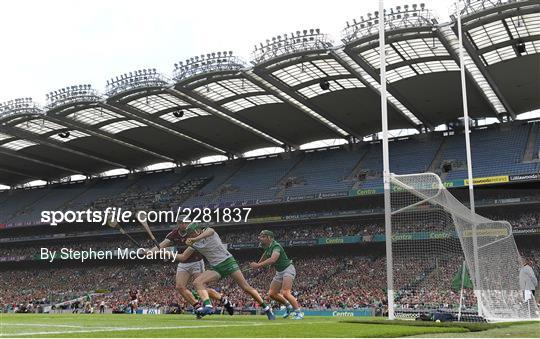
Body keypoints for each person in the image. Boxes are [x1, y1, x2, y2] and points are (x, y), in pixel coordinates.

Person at [175, 223, 275, 320]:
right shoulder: (194, 244)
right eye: (189, 235)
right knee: (197, 282)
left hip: (228, 262)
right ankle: (208, 306)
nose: (190, 236)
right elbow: (183, 257)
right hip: (216, 268)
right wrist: (166, 253)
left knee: (246, 287)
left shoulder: (208, 231)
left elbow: (211, 231)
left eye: (192, 233)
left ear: (197, 230)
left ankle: (267, 309)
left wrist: (194, 239)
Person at [146, 220, 234, 316]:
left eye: (185, 223)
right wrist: (150, 252)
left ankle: (223, 300)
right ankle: (198, 307)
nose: (183, 225)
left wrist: (165, 253)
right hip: (183, 263)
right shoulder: (174, 234)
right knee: (179, 287)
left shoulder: (194, 234)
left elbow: (183, 256)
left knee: (202, 288)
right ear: (178, 224)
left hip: (196, 262)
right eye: (180, 223)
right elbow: (161, 246)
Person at [250, 230, 303, 320]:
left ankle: (299, 313)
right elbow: (265, 254)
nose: (260, 238)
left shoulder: (276, 246)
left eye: (263, 236)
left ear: (269, 238)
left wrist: (258, 265)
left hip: (287, 269)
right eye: (260, 236)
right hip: (279, 272)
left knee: (286, 292)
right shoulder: (267, 246)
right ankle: (288, 306)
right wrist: (258, 263)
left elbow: (273, 259)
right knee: (272, 294)